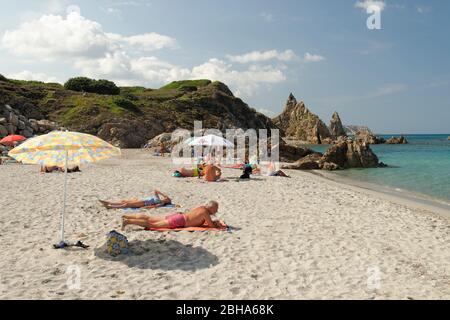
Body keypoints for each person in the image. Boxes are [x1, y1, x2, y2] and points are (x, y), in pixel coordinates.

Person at [121, 201, 220, 230]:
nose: (216, 211)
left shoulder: (201, 207)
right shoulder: (205, 213)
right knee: (152, 224)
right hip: (179, 221)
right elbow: (211, 226)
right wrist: (216, 225)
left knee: (150, 218)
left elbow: (199, 218)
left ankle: (128, 216)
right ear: (211, 208)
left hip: (178, 216)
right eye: (215, 209)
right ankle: (129, 221)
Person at [100, 190, 172, 209]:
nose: (166, 197)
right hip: (142, 199)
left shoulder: (161, 203)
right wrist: (163, 195)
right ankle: (110, 203)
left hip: (144, 203)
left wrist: (146, 207)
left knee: (127, 205)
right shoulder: (159, 198)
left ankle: (110, 206)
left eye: (167, 198)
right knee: (123, 201)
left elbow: (154, 206)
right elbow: (156, 190)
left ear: (167, 201)